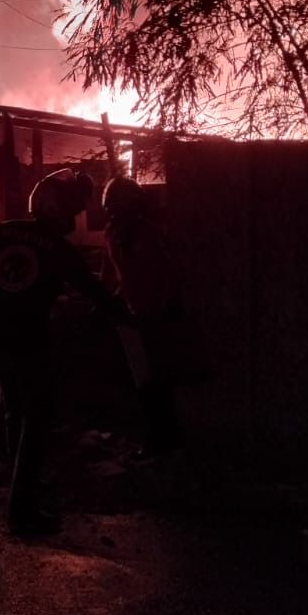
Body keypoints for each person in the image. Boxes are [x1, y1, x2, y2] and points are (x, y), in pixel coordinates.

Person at [0, 168, 130, 536]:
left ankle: (19, 491)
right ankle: (22, 510)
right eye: (73, 208)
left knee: (16, 413)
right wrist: (126, 316)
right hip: (29, 339)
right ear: (59, 207)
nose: (75, 216)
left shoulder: (2, 232)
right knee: (36, 418)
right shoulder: (59, 249)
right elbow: (92, 290)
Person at [102, 175, 199, 457]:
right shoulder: (112, 234)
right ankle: (158, 438)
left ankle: (166, 439)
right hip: (132, 318)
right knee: (143, 382)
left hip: (158, 317)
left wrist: (164, 308)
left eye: (118, 208)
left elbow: (172, 274)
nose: (114, 214)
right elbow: (111, 274)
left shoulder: (151, 234)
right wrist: (105, 301)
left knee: (160, 381)